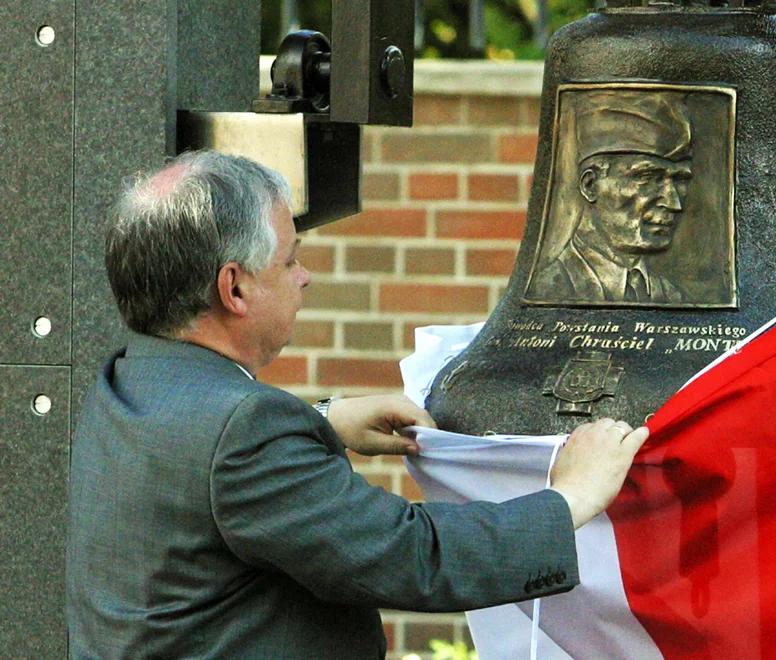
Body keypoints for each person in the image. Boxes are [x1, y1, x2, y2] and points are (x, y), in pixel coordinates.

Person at [66, 150, 649, 658]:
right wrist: (569, 497)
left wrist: (321, 420)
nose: (305, 277)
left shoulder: (126, 382)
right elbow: (410, 556)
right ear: (234, 288)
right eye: (290, 259)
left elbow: (203, 463)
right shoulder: (244, 434)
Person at [526, 92, 693, 304]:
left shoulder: (673, 296)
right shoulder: (549, 288)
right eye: (648, 177)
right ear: (590, 185)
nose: (674, 203)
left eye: (680, 179)